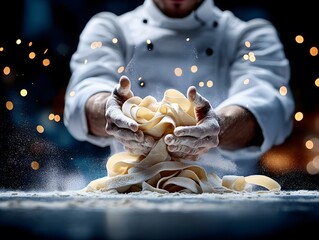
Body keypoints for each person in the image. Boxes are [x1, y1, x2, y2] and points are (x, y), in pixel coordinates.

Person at [63, 0, 295, 178]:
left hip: (228, 200)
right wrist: (108, 109)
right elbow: (82, 94)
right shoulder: (110, 30)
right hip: (133, 194)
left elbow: (269, 104)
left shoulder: (249, 36)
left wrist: (218, 126)